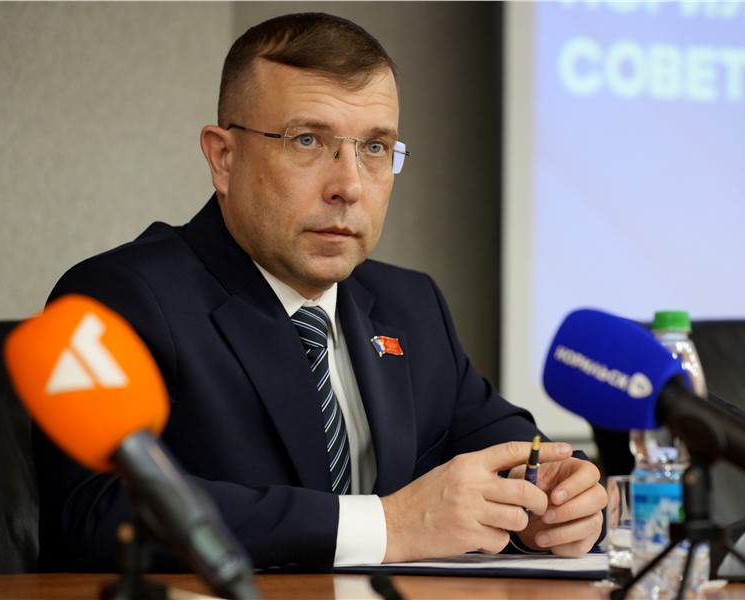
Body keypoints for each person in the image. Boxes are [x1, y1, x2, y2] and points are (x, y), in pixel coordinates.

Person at [34, 12, 607, 572]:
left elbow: (517, 455)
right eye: (307, 140)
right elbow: (97, 510)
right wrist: (389, 525)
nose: (349, 186)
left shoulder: (412, 306)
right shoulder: (121, 298)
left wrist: (560, 505)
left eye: (375, 148)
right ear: (223, 157)